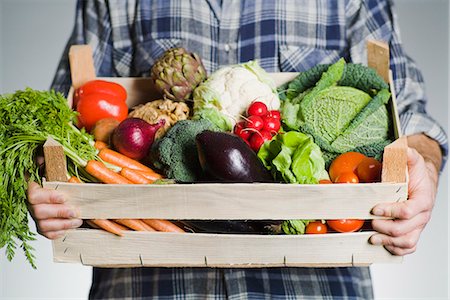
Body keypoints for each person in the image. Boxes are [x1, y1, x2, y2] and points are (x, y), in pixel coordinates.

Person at [26, 0, 447, 299]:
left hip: (315, 287)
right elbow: (52, 123)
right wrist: (45, 179)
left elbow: (408, 112)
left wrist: (424, 165)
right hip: (148, 287)